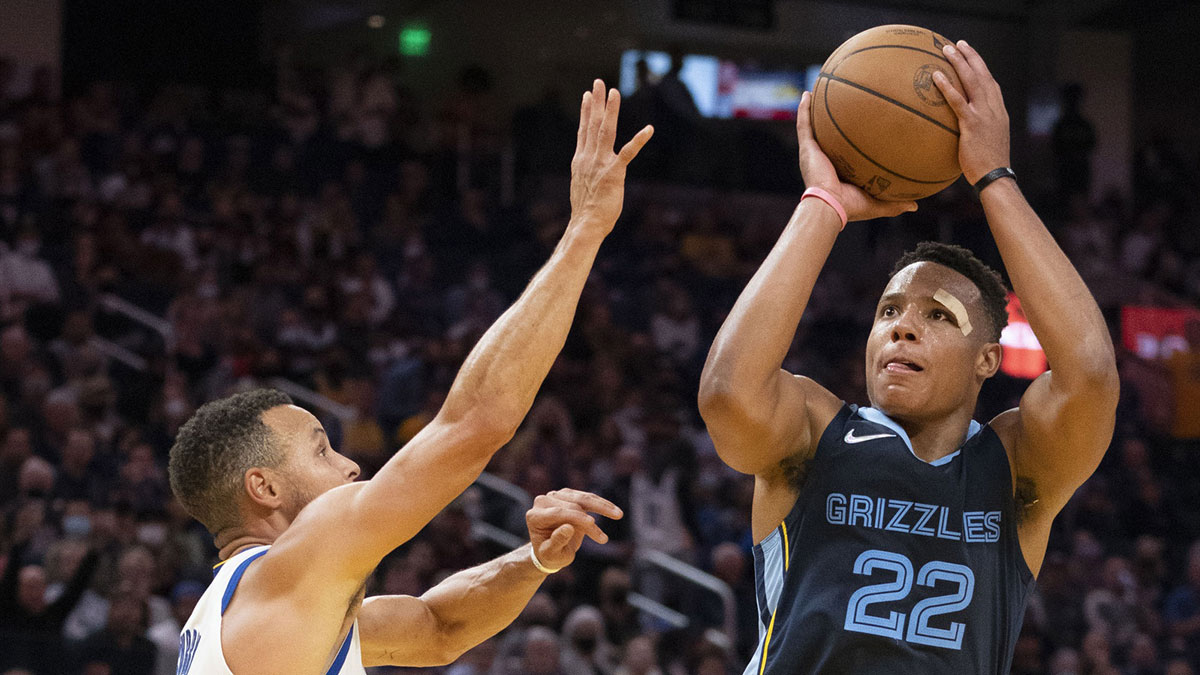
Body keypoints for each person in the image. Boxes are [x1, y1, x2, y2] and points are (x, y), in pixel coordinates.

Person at [166, 80, 653, 674]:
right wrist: (585, 230)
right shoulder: (286, 573)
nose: (349, 466)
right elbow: (476, 424)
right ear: (263, 488)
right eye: (321, 451)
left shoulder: (255, 609)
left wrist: (537, 562)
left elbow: (438, 628)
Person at [698, 40, 1118, 673]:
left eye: (937, 315)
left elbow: (1089, 375)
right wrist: (823, 207)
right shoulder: (817, 433)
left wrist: (993, 179)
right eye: (889, 311)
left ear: (987, 360)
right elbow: (727, 393)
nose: (902, 329)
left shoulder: (1013, 467)